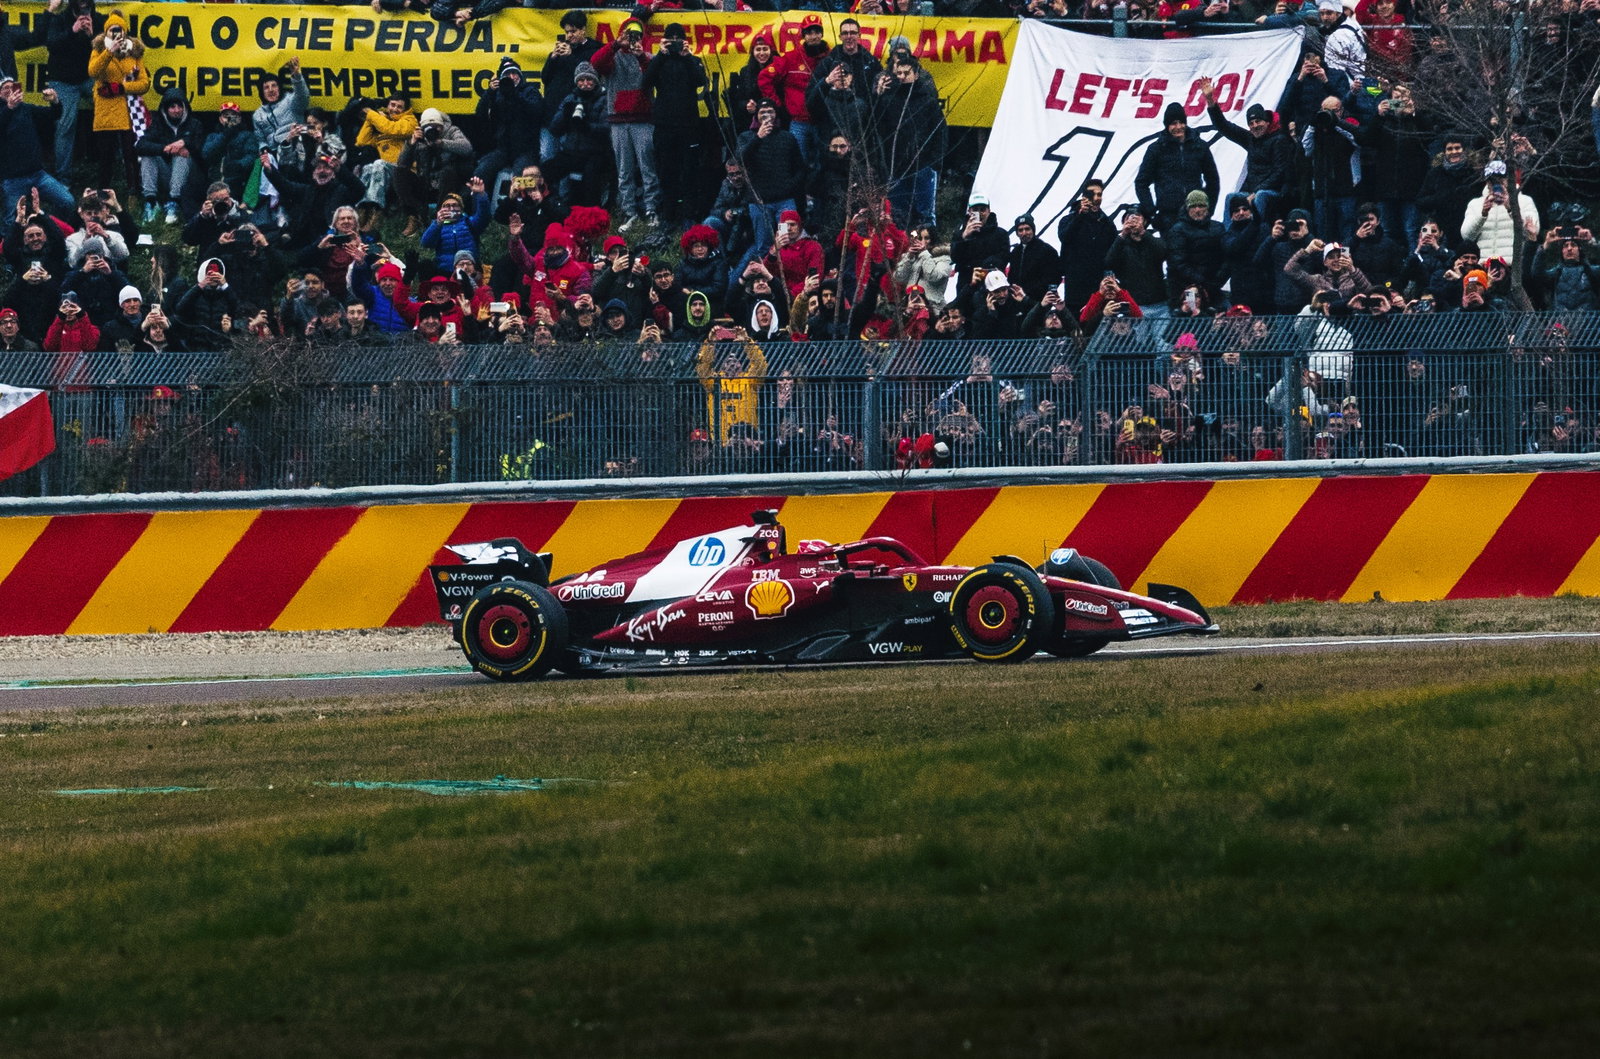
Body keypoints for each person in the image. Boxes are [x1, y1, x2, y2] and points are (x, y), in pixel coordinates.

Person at [593, 18, 661, 229]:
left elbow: (654, 74)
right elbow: (595, 63)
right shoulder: (612, 58)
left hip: (643, 119)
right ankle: (629, 211)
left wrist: (640, 56)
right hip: (618, 120)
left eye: (638, 36)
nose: (633, 40)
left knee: (647, 167)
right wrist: (615, 45)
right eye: (630, 35)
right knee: (624, 169)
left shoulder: (648, 57)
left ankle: (651, 209)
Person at [641, 23, 707, 230]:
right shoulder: (658, 61)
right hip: (664, 125)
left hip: (688, 125)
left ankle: (688, 214)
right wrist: (660, 55)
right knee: (666, 170)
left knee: (689, 170)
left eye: (679, 38)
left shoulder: (693, 60)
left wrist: (687, 56)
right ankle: (668, 214)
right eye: (672, 39)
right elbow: (646, 83)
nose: (675, 42)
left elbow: (700, 81)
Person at [1200, 78, 1293, 223]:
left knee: (1261, 196)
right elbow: (1224, 126)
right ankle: (1228, 238)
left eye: (1258, 121)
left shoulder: (1279, 140)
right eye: (1251, 123)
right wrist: (1211, 101)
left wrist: (1256, 192)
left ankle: (1258, 233)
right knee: (1231, 197)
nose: (1255, 126)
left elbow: (1279, 172)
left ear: (1267, 122)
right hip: (1252, 190)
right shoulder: (1250, 139)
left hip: (1273, 191)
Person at [872, 54, 945, 231]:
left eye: (906, 73)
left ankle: (928, 247)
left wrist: (935, 162)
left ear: (916, 74)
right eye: (899, 73)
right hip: (895, 167)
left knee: (925, 215)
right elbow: (876, 129)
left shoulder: (927, 100)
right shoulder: (887, 100)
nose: (902, 77)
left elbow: (940, 132)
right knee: (896, 215)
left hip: (923, 165)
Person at [85, 11, 146, 191]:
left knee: (130, 155)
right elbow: (93, 72)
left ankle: (134, 192)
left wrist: (122, 88)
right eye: (112, 30)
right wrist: (108, 52)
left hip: (129, 112)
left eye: (119, 30)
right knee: (106, 157)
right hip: (106, 112)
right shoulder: (98, 49)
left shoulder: (135, 52)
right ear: (106, 32)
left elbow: (144, 83)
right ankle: (103, 193)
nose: (116, 34)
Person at [1135, 102, 1218, 234]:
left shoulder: (1200, 146)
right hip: (1168, 216)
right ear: (1167, 126)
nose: (1178, 127)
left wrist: (1209, 209)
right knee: (1173, 253)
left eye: (1181, 122)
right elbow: (1141, 182)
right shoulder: (1156, 149)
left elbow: (1213, 180)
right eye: (1173, 123)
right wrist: (1151, 212)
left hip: (1196, 213)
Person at [0, 77, 76, 219]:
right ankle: (11, 240)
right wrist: (9, 108)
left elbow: (54, 115)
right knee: (10, 219)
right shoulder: (3, 112)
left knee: (67, 201)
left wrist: (55, 102)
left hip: (37, 174)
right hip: (12, 179)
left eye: (14, 87)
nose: (11, 91)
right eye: (6, 88)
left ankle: (52, 229)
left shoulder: (27, 109)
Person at [45, 0, 103, 179]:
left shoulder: (100, 20)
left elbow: (108, 53)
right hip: (63, 80)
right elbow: (51, 45)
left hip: (89, 77)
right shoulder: (60, 19)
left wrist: (93, 36)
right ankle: (63, 178)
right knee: (65, 125)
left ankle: (113, 167)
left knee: (113, 108)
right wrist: (73, 31)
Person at [760, 15, 825, 166]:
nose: (813, 36)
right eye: (809, 32)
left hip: (822, 122)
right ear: (803, 35)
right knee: (797, 162)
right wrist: (776, 105)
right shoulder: (791, 58)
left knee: (821, 164)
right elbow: (764, 78)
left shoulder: (829, 57)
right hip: (798, 123)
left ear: (822, 34)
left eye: (817, 31)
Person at [135, 87, 202, 225]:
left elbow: (201, 145)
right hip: (166, 174)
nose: (176, 110)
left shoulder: (195, 124)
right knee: (148, 156)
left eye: (179, 106)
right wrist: (165, 148)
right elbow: (140, 145)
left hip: (190, 176)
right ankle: (151, 201)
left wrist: (184, 143)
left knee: (182, 156)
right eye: (172, 107)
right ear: (166, 109)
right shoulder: (158, 125)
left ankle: (174, 202)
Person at [473, 57, 545, 187]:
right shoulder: (497, 93)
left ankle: (521, 205)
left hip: (525, 150)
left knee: (521, 180)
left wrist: (515, 96)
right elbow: (480, 114)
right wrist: (489, 93)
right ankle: (479, 204)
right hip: (503, 149)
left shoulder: (530, 91)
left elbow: (537, 111)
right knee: (480, 173)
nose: (512, 77)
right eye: (507, 74)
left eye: (515, 73)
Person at [1056, 179, 1117, 319]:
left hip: (1098, 284)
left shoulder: (1106, 222)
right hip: (1076, 285)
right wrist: (1080, 215)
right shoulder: (1068, 219)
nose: (1096, 198)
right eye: (1092, 194)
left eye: (1099, 194)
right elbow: (1065, 237)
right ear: (1084, 196)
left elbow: (1114, 250)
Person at [1461, 160, 1539, 264]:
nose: (1496, 183)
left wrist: (1511, 208)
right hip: (1484, 265)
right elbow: (1467, 237)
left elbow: (1533, 232)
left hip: (1512, 266)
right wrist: (1482, 215)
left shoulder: (1524, 200)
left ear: (1508, 179)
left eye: (1501, 179)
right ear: (1487, 182)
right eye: (1492, 180)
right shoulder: (1475, 204)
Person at [355, 93, 419, 212]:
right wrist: (371, 119)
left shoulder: (410, 121)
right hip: (385, 170)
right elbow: (361, 141)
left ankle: (376, 209)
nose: (395, 109)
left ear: (405, 109)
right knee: (369, 167)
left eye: (399, 107)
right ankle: (362, 208)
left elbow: (391, 129)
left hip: (406, 170)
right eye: (392, 105)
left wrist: (371, 114)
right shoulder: (382, 121)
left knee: (379, 164)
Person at [1105, 206, 1169, 317]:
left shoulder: (1153, 238)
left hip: (1160, 303)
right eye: (1129, 218)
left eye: (1138, 218)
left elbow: (1163, 252)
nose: (1133, 221)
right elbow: (1109, 262)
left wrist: (1143, 233)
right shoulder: (1120, 243)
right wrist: (1123, 234)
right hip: (1135, 304)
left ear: (1145, 221)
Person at [1006, 213, 1061, 301]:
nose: (1024, 233)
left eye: (1027, 229)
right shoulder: (1015, 252)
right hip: (1017, 300)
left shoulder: (1047, 251)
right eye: (1020, 230)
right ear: (1016, 233)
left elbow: (1054, 279)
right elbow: (1011, 276)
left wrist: (1029, 293)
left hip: (1039, 301)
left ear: (1033, 230)